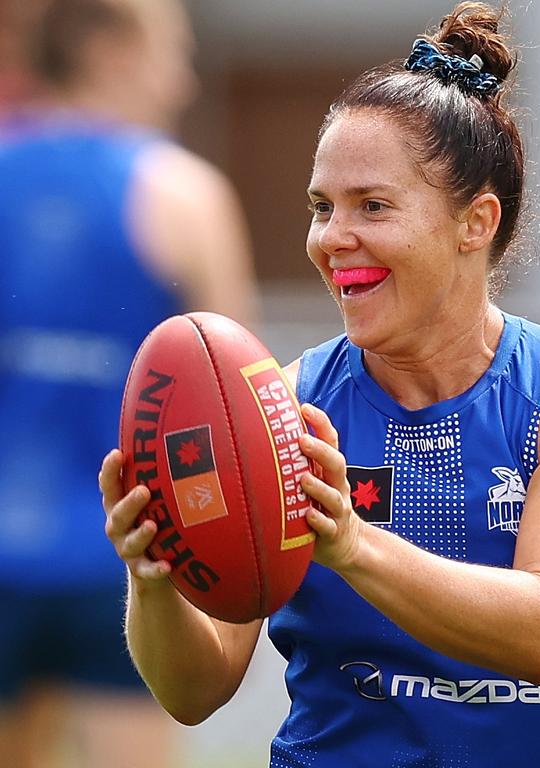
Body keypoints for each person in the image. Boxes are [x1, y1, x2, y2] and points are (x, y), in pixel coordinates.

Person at [100, 3, 540, 766]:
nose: (334, 238)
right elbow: (196, 693)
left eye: (373, 206)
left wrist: (351, 544)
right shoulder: (282, 408)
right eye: (321, 207)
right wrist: (156, 574)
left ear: (476, 223)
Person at [0, 1, 258, 766]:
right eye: (171, 54)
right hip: (130, 557)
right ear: (109, 49)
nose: (181, 84)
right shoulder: (186, 194)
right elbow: (238, 404)